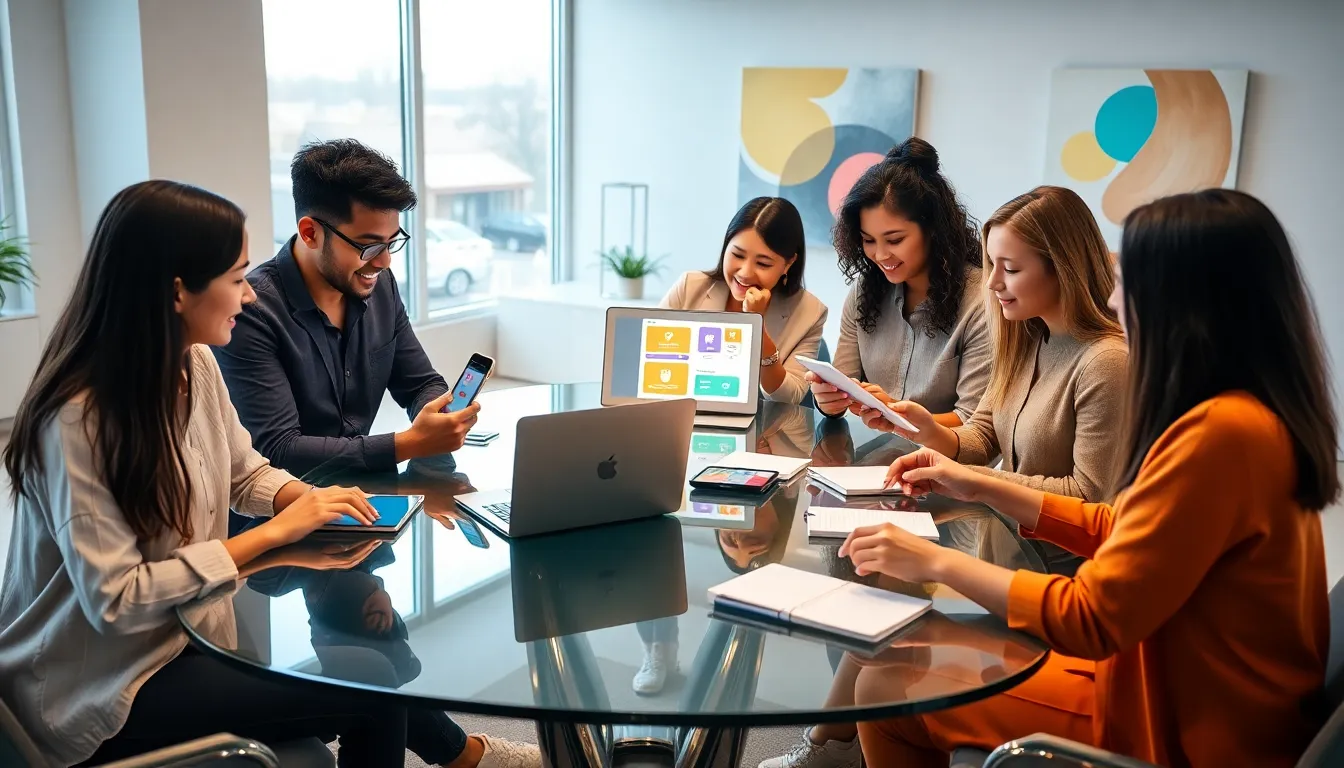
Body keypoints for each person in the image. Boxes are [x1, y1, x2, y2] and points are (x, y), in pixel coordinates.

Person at [0, 180, 538, 767]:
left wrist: (305, 501)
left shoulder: (194, 363)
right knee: (373, 688)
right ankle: (465, 756)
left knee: (372, 671)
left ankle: (461, 755)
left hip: (177, 638)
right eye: (235, 278)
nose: (248, 296)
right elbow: (117, 600)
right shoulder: (79, 420)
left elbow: (245, 470)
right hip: (103, 688)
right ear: (179, 291)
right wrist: (275, 533)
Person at [849, 189, 1335, 767]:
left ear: (1183, 303)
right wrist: (976, 482)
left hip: (1183, 723)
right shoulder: (1249, 417)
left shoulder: (1218, 435)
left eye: (1127, 280)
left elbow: (1093, 616)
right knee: (898, 652)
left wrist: (935, 561)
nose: (1113, 295)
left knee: (884, 686)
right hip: (1190, 688)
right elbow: (1121, 525)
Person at [765, 185, 1127, 768]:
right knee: (879, 584)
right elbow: (981, 437)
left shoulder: (1103, 361)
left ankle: (825, 749)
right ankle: (827, 747)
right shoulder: (1027, 333)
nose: (995, 284)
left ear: (1062, 266)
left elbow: (1089, 498)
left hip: (1051, 562)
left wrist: (975, 484)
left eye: (1009, 269)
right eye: (994, 266)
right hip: (1007, 532)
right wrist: (921, 427)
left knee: (885, 598)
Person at [214, 139, 478, 477]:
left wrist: (439, 415)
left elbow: (419, 382)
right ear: (310, 233)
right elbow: (278, 449)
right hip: (281, 516)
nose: (384, 261)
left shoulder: (379, 285)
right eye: (368, 246)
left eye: (392, 241)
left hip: (363, 499)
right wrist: (410, 442)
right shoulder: (251, 312)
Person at [806, 138, 990, 427]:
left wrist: (894, 413)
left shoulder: (980, 302)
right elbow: (843, 390)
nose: (880, 255)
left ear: (933, 229)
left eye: (895, 240)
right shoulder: (864, 292)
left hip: (949, 465)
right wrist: (827, 400)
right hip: (874, 460)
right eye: (868, 240)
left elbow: (973, 423)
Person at [660, 196, 827, 404]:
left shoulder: (810, 313)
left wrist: (756, 323)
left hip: (763, 429)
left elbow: (788, 397)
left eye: (763, 263)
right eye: (738, 255)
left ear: (788, 264)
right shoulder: (689, 287)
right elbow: (651, 361)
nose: (745, 273)